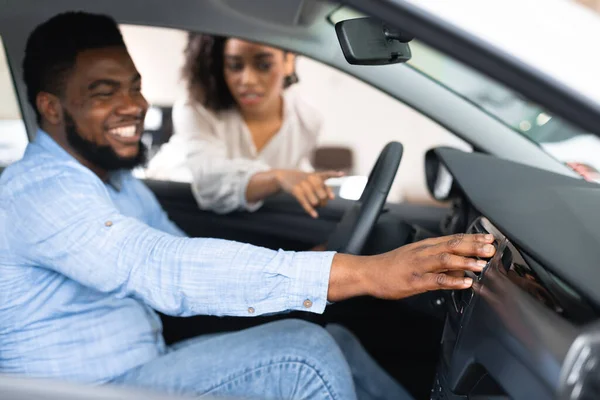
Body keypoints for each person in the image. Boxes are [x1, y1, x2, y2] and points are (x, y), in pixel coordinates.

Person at [0, 12, 495, 400]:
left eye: (134, 86)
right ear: (50, 107)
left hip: (144, 363)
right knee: (304, 357)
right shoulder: (39, 190)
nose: (134, 105)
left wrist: (317, 257)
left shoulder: (116, 183)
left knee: (334, 341)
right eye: (104, 93)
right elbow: (161, 267)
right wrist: (362, 273)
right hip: (81, 389)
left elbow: (181, 249)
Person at [145, 33, 341, 218]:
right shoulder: (196, 109)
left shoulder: (307, 121)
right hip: (173, 206)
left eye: (263, 65)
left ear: (288, 61)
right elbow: (210, 183)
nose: (247, 80)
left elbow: (294, 172)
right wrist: (277, 177)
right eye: (235, 66)